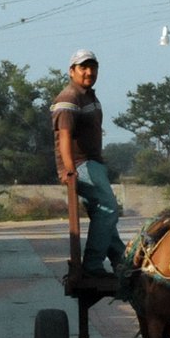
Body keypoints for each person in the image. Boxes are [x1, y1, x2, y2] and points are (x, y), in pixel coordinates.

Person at [53, 48, 127, 281]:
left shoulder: (88, 96)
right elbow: (64, 137)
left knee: (102, 214)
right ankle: (93, 265)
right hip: (80, 165)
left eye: (92, 67)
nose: (88, 72)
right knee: (109, 208)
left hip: (93, 163)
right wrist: (69, 170)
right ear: (71, 71)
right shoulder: (69, 98)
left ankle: (122, 262)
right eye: (83, 67)